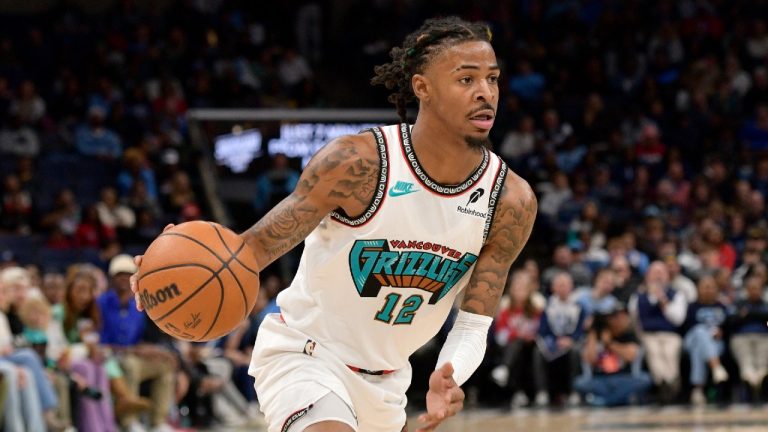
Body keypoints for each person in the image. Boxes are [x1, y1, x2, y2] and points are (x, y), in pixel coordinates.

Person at [131, 16, 537, 432]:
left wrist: (449, 372)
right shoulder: (359, 163)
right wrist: (171, 268)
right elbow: (250, 250)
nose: (485, 93)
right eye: (466, 79)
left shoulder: (510, 201)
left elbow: (473, 323)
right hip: (308, 355)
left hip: (389, 383)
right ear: (423, 88)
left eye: (492, 78)